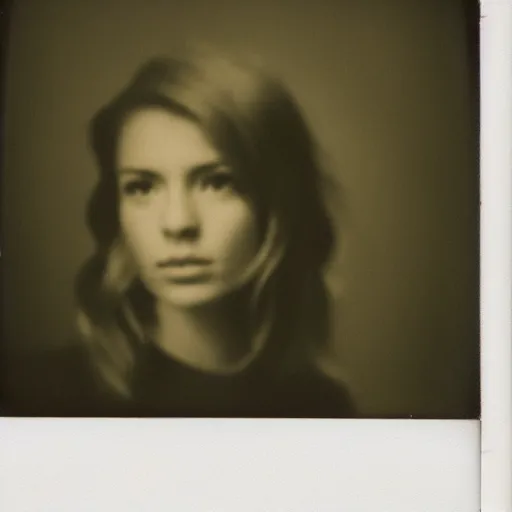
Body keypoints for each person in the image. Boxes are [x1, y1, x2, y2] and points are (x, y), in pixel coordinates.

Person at [3, 48, 355, 418]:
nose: (177, 223)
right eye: (141, 187)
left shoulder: (321, 404)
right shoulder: (37, 394)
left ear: (276, 205)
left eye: (218, 183)